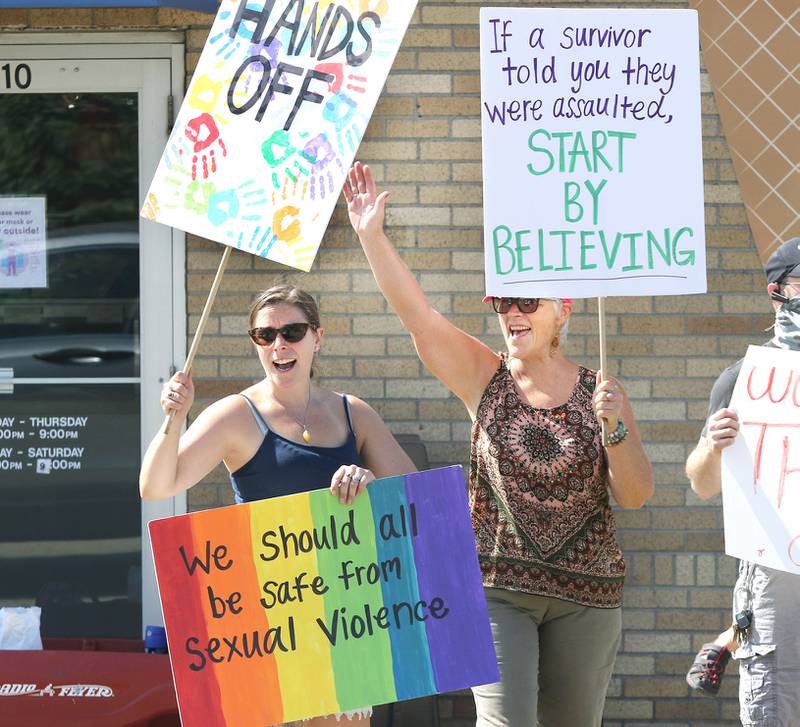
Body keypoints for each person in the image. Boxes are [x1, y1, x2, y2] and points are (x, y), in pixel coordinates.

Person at [343, 161, 654, 727]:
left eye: (527, 301)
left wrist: (615, 427)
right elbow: (419, 316)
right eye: (502, 302)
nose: (512, 312)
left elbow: (633, 495)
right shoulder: (486, 378)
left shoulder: (601, 391)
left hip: (588, 596)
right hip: (496, 590)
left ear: (563, 310)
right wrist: (372, 235)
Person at [140, 283, 416, 727]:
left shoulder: (353, 413)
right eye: (265, 335)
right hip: (264, 615)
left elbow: (420, 500)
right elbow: (156, 486)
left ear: (317, 337)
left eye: (292, 331)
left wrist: (370, 482)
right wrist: (174, 418)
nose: (279, 345)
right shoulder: (234, 414)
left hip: (341, 614)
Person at [685, 238, 800, 725]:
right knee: (778, 707)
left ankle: (726, 639)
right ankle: (732, 637)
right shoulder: (743, 379)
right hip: (779, 581)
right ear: (777, 291)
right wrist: (713, 444)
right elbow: (702, 483)